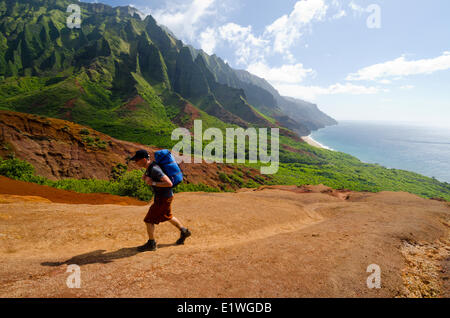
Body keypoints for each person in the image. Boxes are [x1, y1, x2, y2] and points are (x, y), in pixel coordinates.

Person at [129, 149, 191, 252]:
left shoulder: (155, 169)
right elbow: (145, 177)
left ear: (144, 159)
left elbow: (169, 183)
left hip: (163, 198)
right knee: (168, 216)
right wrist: (146, 177)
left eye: (137, 160)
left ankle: (151, 243)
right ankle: (184, 231)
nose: (135, 162)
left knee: (148, 220)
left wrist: (153, 183)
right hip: (165, 197)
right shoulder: (150, 167)